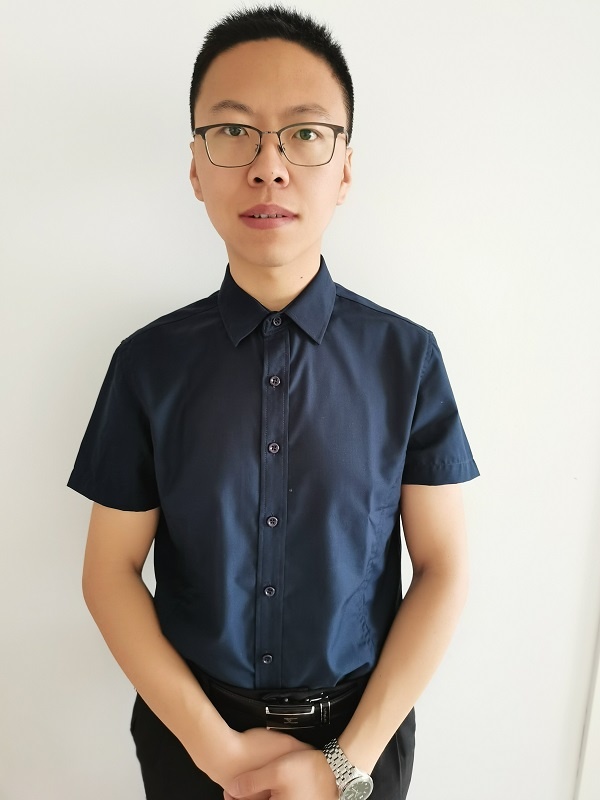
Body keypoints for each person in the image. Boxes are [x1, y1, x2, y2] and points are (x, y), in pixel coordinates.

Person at [68, 6, 479, 799]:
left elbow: (444, 568)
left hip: (362, 741)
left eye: (304, 133)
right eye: (233, 132)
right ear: (196, 167)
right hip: (191, 742)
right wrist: (218, 753)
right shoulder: (146, 365)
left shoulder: (407, 359)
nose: (269, 167)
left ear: (345, 168)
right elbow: (108, 572)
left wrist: (342, 765)